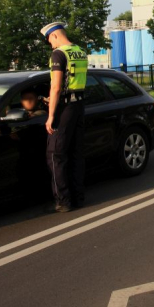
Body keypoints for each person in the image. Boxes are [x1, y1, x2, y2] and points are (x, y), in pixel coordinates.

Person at [40, 22, 88, 213]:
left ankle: (63, 201)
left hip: (65, 108)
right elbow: (75, 80)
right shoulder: (80, 51)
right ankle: (78, 197)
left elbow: (57, 87)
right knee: (76, 153)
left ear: (54, 36)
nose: (50, 45)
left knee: (55, 154)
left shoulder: (59, 54)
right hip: (79, 105)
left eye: (49, 40)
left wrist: (51, 115)